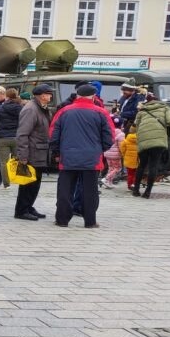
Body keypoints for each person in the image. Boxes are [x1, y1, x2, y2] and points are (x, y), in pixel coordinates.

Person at [49, 83, 113, 228]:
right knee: (90, 190)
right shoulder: (101, 112)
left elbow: (53, 134)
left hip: (67, 157)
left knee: (65, 190)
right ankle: (90, 221)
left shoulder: (64, 111)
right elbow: (109, 136)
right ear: (93, 96)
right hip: (92, 158)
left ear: (77, 95)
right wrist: (99, 149)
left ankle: (62, 220)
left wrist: (57, 152)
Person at [13, 83, 54, 221]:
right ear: (42, 95)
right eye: (49, 93)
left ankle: (28, 206)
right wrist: (23, 156)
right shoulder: (31, 109)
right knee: (27, 184)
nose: (51, 96)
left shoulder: (42, 108)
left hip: (40, 151)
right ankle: (21, 210)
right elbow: (22, 134)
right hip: (31, 153)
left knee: (35, 183)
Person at [133, 92, 170, 199]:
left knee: (141, 165)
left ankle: (136, 190)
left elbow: (136, 126)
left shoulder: (142, 110)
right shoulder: (165, 108)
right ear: (158, 100)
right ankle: (147, 192)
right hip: (158, 140)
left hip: (143, 138)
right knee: (153, 165)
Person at [0, 87, 24, 189]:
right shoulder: (21, 108)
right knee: (19, 160)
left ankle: (6, 184)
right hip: (17, 137)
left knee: (3, 162)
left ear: (7, 96)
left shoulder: (1, 108)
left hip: (2, 138)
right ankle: (20, 181)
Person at [101, 117, 125, 189]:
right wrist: (123, 153)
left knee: (111, 168)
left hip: (107, 153)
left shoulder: (109, 131)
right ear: (121, 125)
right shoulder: (121, 134)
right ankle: (106, 179)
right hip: (115, 155)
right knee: (118, 168)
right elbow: (121, 146)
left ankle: (109, 183)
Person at [120, 125, 140, 191]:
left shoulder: (126, 140)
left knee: (130, 174)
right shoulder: (139, 140)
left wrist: (124, 155)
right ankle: (134, 184)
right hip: (137, 160)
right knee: (135, 173)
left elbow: (122, 148)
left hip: (128, 160)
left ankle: (129, 185)